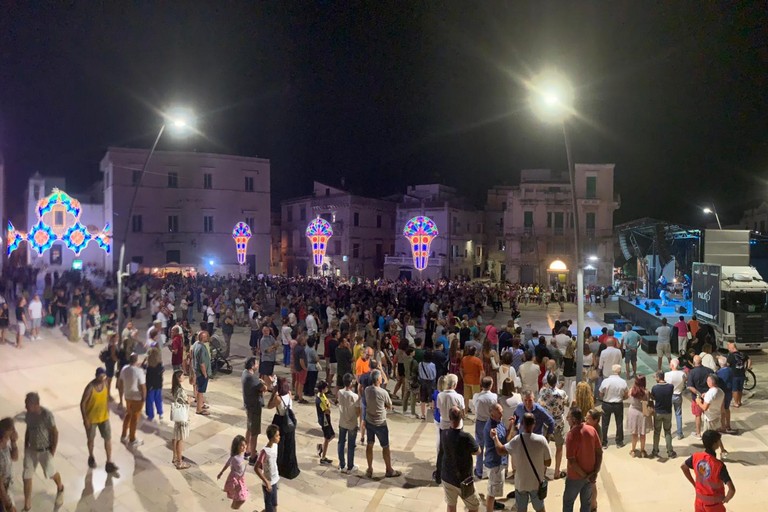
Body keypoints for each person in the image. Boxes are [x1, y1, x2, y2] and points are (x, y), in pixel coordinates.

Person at [491, 412, 551, 512]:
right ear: (534, 424)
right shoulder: (541, 440)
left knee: (521, 509)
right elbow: (548, 462)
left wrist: (495, 437)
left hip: (521, 483)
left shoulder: (517, 440)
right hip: (536, 483)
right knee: (540, 509)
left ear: (522, 424)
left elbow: (500, 450)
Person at [22, 392, 65, 510]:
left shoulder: (47, 415)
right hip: (31, 450)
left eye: (27, 404)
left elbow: (54, 432)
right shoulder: (29, 415)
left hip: (45, 450)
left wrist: (52, 451)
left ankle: (60, 488)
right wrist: (26, 444)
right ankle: (27, 505)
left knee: (51, 473)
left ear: (35, 404)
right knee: (26, 475)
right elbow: (28, 429)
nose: (25, 407)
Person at [681, 430, 735, 511]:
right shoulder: (719, 465)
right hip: (714, 506)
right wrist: (726, 499)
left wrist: (694, 484)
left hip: (699, 503)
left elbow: (683, 466)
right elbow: (732, 490)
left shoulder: (696, 457)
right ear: (715, 444)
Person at [440, 406, 480, 512]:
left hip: (447, 476)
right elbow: (478, 451)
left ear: (449, 418)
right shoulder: (466, 437)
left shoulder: (444, 433)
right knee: (474, 506)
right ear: (461, 417)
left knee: (451, 505)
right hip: (463, 479)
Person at [562, 407, 602, 512]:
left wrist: (584, 476)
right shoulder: (591, 430)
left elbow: (571, 461)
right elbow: (599, 453)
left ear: (574, 420)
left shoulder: (571, 435)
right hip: (590, 475)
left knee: (568, 503)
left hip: (575, 477)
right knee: (586, 505)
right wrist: (595, 472)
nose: (567, 419)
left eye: (569, 417)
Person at [80, 368, 119, 474]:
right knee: (91, 439)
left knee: (108, 438)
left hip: (104, 417)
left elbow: (106, 396)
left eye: (103, 376)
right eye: (100, 376)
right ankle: (91, 456)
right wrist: (85, 419)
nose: (102, 378)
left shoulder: (105, 383)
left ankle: (109, 462)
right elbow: (82, 403)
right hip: (91, 419)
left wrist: (107, 408)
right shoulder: (90, 388)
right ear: (96, 376)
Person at [364, 370, 401, 478]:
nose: (382, 379)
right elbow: (389, 405)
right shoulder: (383, 392)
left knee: (369, 444)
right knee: (385, 446)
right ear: (377, 380)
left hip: (369, 421)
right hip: (380, 423)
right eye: (381, 377)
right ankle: (389, 469)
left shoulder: (367, 390)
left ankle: (370, 469)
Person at [267, 377, 300, 479]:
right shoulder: (289, 394)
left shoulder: (278, 398)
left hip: (280, 421)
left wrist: (273, 393)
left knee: (280, 446)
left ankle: (279, 467)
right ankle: (290, 469)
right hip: (289, 421)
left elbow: (269, 406)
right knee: (290, 445)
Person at [538, 372, 568, 479]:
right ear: (556, 381)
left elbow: (540, 403)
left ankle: (543, 471)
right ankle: (556, 472)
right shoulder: (562, 393)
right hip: (558, 422)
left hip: (546, 422)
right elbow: (566, 402)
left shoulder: (543, 392)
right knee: (559, 447)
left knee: (544, 447)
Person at [481, 403, 506, 512]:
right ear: (492, 414)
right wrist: (495, 438)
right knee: (491, 492)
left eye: (502, 411)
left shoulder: (499, 422)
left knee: (495, 489)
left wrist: (512, 426)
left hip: (500, 462)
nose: (502, 414)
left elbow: (505, 440)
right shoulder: (491, 428)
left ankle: (493, 506)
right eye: (499, 412)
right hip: (494, 463)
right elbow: (499, 449)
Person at [696, 374, 728, 458]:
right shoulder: (720, 391)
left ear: (711, 382)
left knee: (707, 438)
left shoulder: (710, 393)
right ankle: (723, 450)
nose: (706, 382)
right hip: (717, 416)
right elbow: (722, 407)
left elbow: (705, 408)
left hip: (710, 418)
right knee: (716, 435)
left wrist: (699, 402)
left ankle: (710, 454)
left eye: (707, 380)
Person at [472, 377, 498, 479]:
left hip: (480, 422)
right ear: (491, 385)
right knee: (490, 446)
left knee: (480, 446)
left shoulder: (477, 396)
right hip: (491, 422)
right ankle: (489, 470)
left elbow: (474, 407)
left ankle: (479, 470)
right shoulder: (494, 397)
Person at [119, 353, 146, 446]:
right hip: (137, 397)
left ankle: (123, 435)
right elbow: (143, 386)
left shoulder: (124, 369)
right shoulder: (139, 371)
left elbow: (120, 382)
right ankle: (132, 439)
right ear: (136, 360)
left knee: (128, 414)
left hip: (127, 396)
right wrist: (144, 398)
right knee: (135, 418)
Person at [242, 357, 266, 465]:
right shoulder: (252, 378)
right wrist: (265, 383)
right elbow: (264, 388)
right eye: (256, 363)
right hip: (254, 407)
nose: (258, 365)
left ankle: (247, 450)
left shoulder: (244, 373)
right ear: (252, 366)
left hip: (248, 405)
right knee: (255, 432)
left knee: (249, 428)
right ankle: (252, 456)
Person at [598, 364, 628, 448]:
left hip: (606, 403)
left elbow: (600, 393)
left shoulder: (606, 381)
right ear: (620, 372)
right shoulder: (623, 381)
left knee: (605, 423)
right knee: (619, 423)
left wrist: (604, 397)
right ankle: (619, 442)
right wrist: (622, 398)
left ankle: (604, 442)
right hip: (618, 404)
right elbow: (626, 394)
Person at [337, 373, 361, 473]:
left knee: (341, 443)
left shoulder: (339, 392)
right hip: (352, 423)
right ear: (351, 383)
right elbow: (358, 412)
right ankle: (350, 466)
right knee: (351, 445)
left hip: (342, 421)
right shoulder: (355, 396)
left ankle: (342, 465)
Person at [217, 435, 248, 509]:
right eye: (241, 445)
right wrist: (221, 472)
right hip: (236, 480)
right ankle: (234, 508)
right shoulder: (234, 458)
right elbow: (227, 464)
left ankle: (233, 507)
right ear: (236, 446)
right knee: (242, 498)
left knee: (239, 496)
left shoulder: (243, 455)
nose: (244, 447)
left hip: (241, 479)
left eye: (245, 445)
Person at [255, 424, 280, 512]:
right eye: (277, 436)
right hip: (268, 484)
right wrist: (266, 482)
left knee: (274, 504)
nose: (279, 437)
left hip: (275, 480)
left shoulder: (276, 446)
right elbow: (256, 468)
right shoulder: (264, 452)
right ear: (272, 437)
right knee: (269, 508)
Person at [650, 371, 676, 458]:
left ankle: (655, 450)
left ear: (658, 377)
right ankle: (670, 451)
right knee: (668, 431)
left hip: (658, 412)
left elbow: (653, 397)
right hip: (668, 412)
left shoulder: (655, 388)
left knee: (657, 432)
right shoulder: (670, 387)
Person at [687, 355, 712, 439]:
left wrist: (699, 393)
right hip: (708, 397)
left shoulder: (692, 372)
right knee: (708, 415)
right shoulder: (709, 371)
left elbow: (690, 386)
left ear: (694, 362)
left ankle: (698, 433)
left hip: (697, 399)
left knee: (698, 416)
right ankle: (708, 432)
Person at [626, 374, 650, 458]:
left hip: (633, 412)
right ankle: (642, 450)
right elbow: (647, 401)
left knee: (634, 433)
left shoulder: (631, 390)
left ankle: (633, 450)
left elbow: (628, 399)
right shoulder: (646, 392)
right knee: (643, 434)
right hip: (642, 413)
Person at [171, 370, 191, 469]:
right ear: (179, 378)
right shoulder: (180, 390)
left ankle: (174, 457)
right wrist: (190, 400)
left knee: (175, 437)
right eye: (182, 375)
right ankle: (179, 462)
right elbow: (185, 402)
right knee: (180, 439)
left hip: (177, 415)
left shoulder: (174, 388)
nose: (184, 376)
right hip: (182, 416)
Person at [0, 417, 19, 512]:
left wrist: (13, 442)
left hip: (7, 488)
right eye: (12, 429)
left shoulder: (5, 444)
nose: (14, 431)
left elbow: (15, 457)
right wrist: (8, 504)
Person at [665, 358, 687, 440]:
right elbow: (685, 380)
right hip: (678, 395)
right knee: (678, 415)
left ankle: (668, 433)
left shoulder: (667, 374)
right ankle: (679, 433)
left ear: (672, 365)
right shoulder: (682, 374)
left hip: (669, 396)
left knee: (668, 415)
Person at [315, 380, 335, 465]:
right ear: (323, 389)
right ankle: (323, 457)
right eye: (326, 387)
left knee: (332, 435)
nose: (327, 388)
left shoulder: (320, 395)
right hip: (325, 420)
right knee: (327, 437)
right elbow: (326, 411)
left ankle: (321, 447)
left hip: (326, 419)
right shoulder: (321, 400)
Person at [726, 341, 750, 408]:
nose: (728, 349)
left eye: (729, 348)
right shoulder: (742, 354)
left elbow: (727, 365)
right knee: (740, 389)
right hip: (742, 374)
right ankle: (739, 401)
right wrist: (747, 368)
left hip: (734, 375)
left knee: (735, 389)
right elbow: (749, 360)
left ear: (732, 348)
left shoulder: (731, 355)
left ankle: (736, 403)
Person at [461, 346, 484, 414]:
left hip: (466, 380)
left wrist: (463, 377)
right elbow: (482, 372)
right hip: (475, 381)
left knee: (466, 397)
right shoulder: (478, 360)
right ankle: (476, 412)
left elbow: (461, 369)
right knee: (476, 398)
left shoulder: (464, 359)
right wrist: (480, 381)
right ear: (474, 352)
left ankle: (465, 412)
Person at [716, 356, 736, 434]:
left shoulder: (719, 372)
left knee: (722, 410)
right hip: (729, 392)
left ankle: (723, 426)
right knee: (727, 408)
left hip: (722, 393)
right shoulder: (731, 370)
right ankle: (728, 425)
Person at [193, 331, 212, 416]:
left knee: (198, 389)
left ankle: (200, 405)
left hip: (197, 372)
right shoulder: (201, 348)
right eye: (205, 337)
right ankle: (199, 409)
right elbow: (202, 363)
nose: (207, 338)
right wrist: (205, 374)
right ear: (202, 338)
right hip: (201, 373)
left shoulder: (196, 344)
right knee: (201, 391)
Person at [145, 347, 164, 422]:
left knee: (150, 401)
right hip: (158, 385)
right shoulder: (160, 366)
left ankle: (150, 415)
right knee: (158, 400)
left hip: (151, 387)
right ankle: (160, 413)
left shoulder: (149, 368)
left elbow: (148, 378)